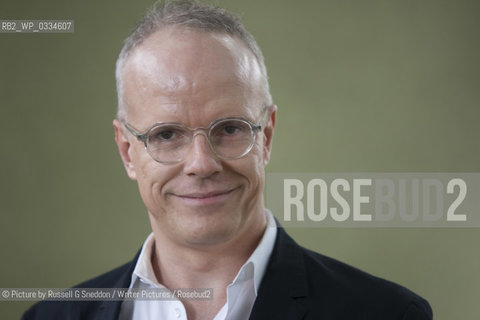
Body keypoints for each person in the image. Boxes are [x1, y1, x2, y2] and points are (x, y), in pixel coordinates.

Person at [23, 1, 433, 319]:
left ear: (266, 136)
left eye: (230, 129)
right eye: (167, 135)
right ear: (128, 152)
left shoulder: (388, 314)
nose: (202, 163)